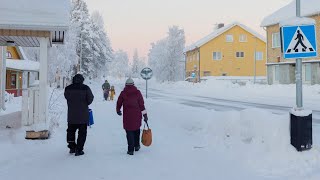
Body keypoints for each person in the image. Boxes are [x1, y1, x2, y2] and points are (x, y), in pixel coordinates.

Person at [116, 78, 148, 155]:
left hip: (127, 117)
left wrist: (118, 110)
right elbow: (141, 105)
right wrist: (145, 115)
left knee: (129, 132)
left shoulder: (123, 93)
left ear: (126, 85)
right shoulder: (137, 93)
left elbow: (119, 103)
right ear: (133, 84)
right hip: (137, 116)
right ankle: (137, 146)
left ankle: (130, 150)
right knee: (137, 130)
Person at [64, 74, 94, 156]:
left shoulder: (68, 88)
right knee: (82, 133)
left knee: (70, 131)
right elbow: (90, 99)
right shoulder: (86, 88)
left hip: (71, 115)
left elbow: (66, 97)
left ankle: (72, 147)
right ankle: (79, 149)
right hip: (83, 115)